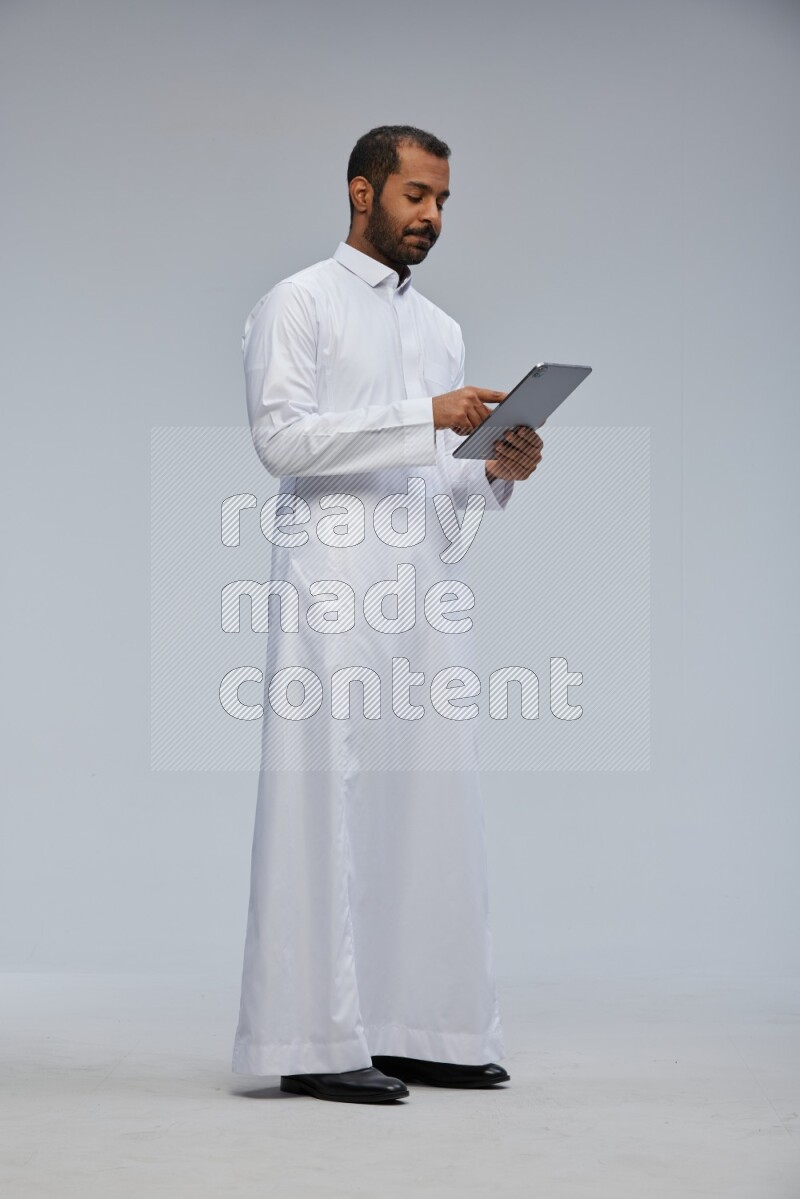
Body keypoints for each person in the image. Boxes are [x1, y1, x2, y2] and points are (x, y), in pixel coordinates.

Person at [232, 125, 544, 1103]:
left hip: (422, 591)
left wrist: (494, 469)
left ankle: (419, 1025)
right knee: (324, 797)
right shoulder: (298, 302)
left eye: (442, 200)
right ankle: (311, 1037)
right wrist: (428, 416)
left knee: (428, 799)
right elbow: (281, 442)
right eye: (415, 195)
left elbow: (440, 486)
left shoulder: (440, 329)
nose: (431, 216)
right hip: (331, 587)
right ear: (360, 192)